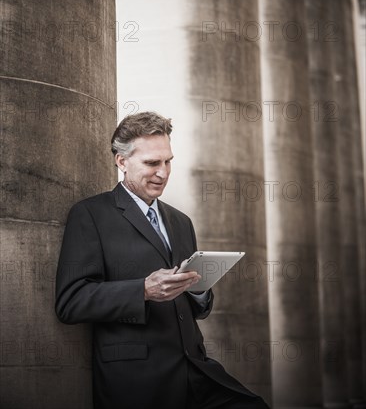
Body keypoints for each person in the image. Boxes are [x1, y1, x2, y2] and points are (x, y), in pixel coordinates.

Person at [55, 111, 270, 409]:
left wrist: (198, 288)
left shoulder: (181, 221)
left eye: (168, 161)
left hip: (196, 369)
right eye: (152, 163)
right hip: (137, 378)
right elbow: (70, 301)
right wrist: (142, 290)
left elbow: (199, 308)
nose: (163, 172)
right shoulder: (90, 215)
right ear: (121, 161)